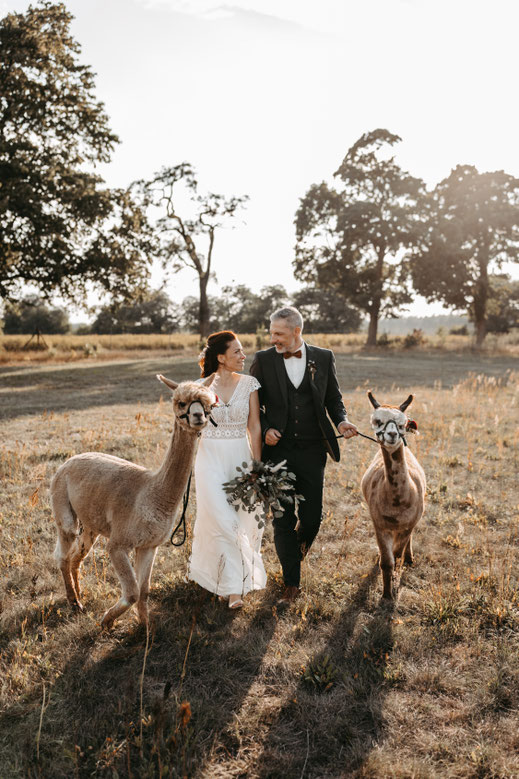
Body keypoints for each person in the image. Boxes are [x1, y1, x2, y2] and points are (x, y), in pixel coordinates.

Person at [250, 307, 358, 605]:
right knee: (282, 518)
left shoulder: (323, 357)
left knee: (312, 518)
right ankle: (291, 584)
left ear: (296, 331)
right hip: (277, 451)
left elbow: (333, 398)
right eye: (271, 333)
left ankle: (293, 554)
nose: (274, 339)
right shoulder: (263, 360)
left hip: (313, 449)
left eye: (279, 334)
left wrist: (342, 421)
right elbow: (253, 405)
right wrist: (268, 427)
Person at [189, 330, 267, 609]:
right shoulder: (199, 388)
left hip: (240, 456)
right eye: (237, 352)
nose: (243, 356)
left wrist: (257, 466)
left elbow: (255, 426)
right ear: (220, 358)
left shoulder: (250, 384)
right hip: (209, 459)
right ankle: (235, 590)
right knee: (222, 519)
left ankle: (226, 580)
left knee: (242, 518)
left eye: (242, 351)